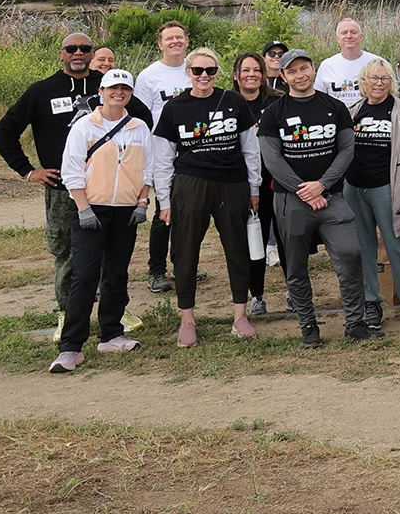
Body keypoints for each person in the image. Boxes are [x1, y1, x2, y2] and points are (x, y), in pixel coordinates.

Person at [0, 32, 147, 325]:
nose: (78, 53)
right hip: (64, 190)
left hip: (111, 189)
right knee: (67, 253)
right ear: (61, 53)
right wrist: (28, 170)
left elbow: (145, 121)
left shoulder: (108, 86)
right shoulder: (42, 91)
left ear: (92, 53)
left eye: (85, 48)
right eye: (71, 48)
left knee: (112, 252)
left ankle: (114, 311)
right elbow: (4, 131)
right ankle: (67, 315)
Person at [49, 69, 162, 372]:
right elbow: (71, 170)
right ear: (101, 91)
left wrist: (142, 202)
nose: (119, 93)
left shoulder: (139, 128)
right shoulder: (84, 127)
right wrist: (84, 208)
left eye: (125, 89)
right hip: (91, 209)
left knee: (116, 273)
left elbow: (147, 168)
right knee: (85, 277)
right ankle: (71, 347)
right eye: (113, 88)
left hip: (126, 211)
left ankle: (111, 334)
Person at [259, 50, 370, 346]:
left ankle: (355, 322)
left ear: (313, 69)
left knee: (351, 253)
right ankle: (308, 326)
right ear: (282, 76)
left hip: (331, 197)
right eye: (292, 71)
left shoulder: (334, 107)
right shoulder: (273, 113)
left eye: (304, 68)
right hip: (291, 200)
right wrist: (304, 190)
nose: (300, 74)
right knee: (295, 265)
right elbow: (272, 160)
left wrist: (321, 185)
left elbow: (346, 150)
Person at [152, 47, 261, 347]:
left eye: (210, 71)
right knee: (185, 250)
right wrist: (164, 201)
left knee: (237, 249)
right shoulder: (174, 108)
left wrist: (254, 188)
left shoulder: (234, 101)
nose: (204, 76)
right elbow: (162, 159)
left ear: (217, 73)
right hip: (191, 183)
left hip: (232, 182)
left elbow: (250, 148)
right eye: (198, 71)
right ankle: (187, 319)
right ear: (187, 73)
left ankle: (240, 315)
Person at [347, 59, 400, 326]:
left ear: (391, 83)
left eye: (384, 79)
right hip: (355, 188)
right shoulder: (352, 112)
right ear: (364, 81)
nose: (378, 83)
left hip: (387, 187)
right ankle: (371, 303)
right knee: (363, 248)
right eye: (373, 78)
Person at [133, 20, 190, 294]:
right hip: (161, 152)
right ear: (160, 44)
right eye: (169, 38)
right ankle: (156, 270)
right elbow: (140, 118)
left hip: (192, 151)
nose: (175, 42)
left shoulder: (195, 69)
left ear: (187, 41)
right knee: (164, 211)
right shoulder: (148, 76)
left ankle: (183, 263)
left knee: (189, 211)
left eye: (179, 37)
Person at [232, 51, 283, 317]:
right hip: (246, 184)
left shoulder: (278, 102)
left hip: (279, 180)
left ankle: (294, 292)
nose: (251, 75)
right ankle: (257, 296)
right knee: (255, 240)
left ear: (264, 75)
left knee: (287, 239)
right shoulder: (228, 104)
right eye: (245, 70)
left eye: (256, 70)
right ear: (236, 75)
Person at [316, 18, 387, 112]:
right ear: (337, 38)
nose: (349, 36)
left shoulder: (377, 62)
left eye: (353, 32)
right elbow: (319, 99)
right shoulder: (327, 65)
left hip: (368, 116)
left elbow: (389, 92)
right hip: (337, 118)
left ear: (361, 36)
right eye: (344, 32)